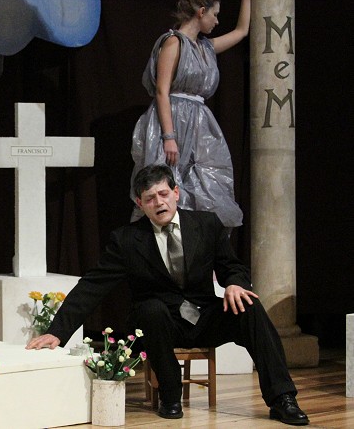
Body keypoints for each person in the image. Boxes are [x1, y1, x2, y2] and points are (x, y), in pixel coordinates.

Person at [27, 165, 309, 425]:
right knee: (151, 309)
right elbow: (92, 286)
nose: (159, 202)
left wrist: (235, 283)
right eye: (150, 198)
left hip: (203, 318)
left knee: (249, 306)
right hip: (158, 325)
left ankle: (282, 399)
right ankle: (170, 396)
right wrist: (57, 331)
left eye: (163, 194)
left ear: (176, 193)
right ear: (140, 204)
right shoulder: (126, 240)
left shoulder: (206, 224)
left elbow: (231, 266)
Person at [130, 0, 272, 229]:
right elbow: (162, 91)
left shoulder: (205, 47)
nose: (216, 21)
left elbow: (241, 32)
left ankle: (197, 244)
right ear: (201, 11)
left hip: (199, 122)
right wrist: (169, 136)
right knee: (165, 183)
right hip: (172, 117)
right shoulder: (173, 42)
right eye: (214, 15)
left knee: (208, 182)